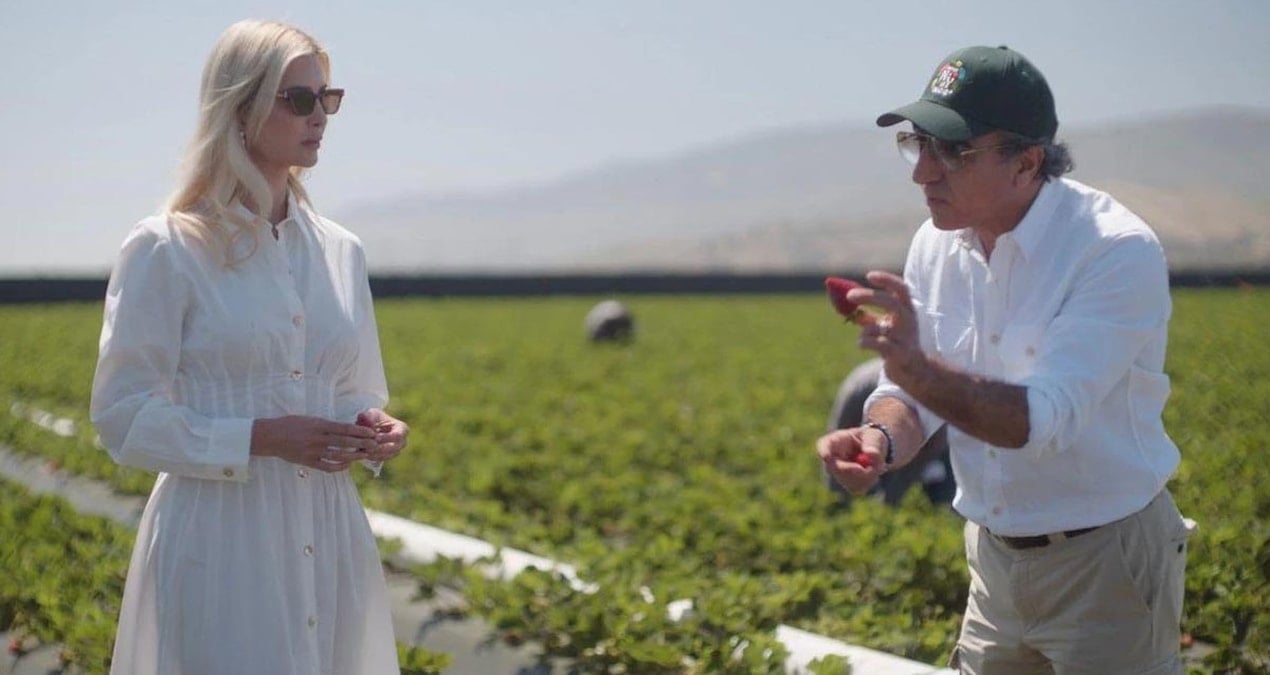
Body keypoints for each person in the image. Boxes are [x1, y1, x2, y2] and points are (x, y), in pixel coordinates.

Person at [816, 45, 1193, 674]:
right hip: (992, 559)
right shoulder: (937, 244)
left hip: (1105, 564)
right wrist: (881, 436)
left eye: (955, 151)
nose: (924, 174)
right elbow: (908, 397)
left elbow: (1037, 422)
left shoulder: (1112, 251)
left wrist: (916, 371)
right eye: (919, 144)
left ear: (1028, 162)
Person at [90, 20, 408, 675]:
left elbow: (353, 390)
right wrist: (260, 436)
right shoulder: (168, 248)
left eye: (327, 98)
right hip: (219, 541)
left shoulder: (341, 252)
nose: (319, 116)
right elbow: (123, 417)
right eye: (298, 99)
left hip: (329, 534)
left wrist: (368, 429)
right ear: (239, 106)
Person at [822, 357, 954, 506]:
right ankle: (839, 500)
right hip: (861, 388)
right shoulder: (859, 390)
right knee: (849, 451)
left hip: (869, 383)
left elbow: (929, 450)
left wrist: (889, 499)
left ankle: (940, 497)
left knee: (851, 451)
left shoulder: (934, 392)